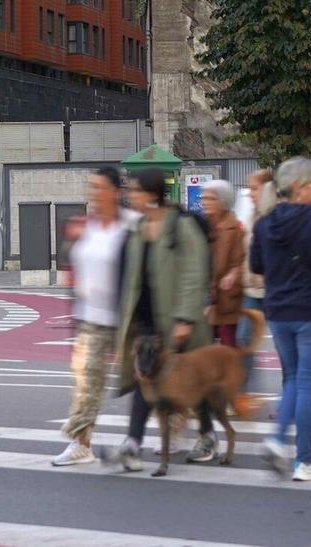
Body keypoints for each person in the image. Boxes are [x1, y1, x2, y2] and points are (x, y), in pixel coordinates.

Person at [105, 168, 213, 472]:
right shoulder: (139, 228)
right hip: (148, 322)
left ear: (152, 194)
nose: (129, 195)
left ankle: (207, 433)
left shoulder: (181, 226)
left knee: (194, 383)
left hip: (178, 321)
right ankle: (133, 444)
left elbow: (195, 273)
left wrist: (186, 319)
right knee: (145, 379)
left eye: (134, 190)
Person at [251, 157, 311, 482]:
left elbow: (257, 265)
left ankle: (276, 440)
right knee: (309, 384)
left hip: (278, 310)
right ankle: (305, 461)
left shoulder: (264, 223)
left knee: (292, 379)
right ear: (299, 187)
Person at [52, 167, 139, 466]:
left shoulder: (132, 226)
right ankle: (81, 443)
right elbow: (74, 264)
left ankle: (183, 426)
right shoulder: (85, 227)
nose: (93, 193)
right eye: (91, 188)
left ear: (115, 192)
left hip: (128, 318)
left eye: (99, 187)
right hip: (90, 317)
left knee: (148, 381)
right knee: (87, 382)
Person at [239, 172, 277, 392]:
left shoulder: (276, 217)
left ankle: (288, 401)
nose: (249, 194)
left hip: (273, 291)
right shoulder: (252, 216)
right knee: (244, 341)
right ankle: (243, 393)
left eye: (254, 188)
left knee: (285, 348)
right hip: (251, 290)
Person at [201, 180, 246, 349]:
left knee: (228, 350)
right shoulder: (201, 225)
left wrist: (233, 274)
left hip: (226, 301)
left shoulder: (236, 229)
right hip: (204, 298)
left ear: (223, 201)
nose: (204, 202)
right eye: (204, 197)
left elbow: (241, 261)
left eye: (210, 198)